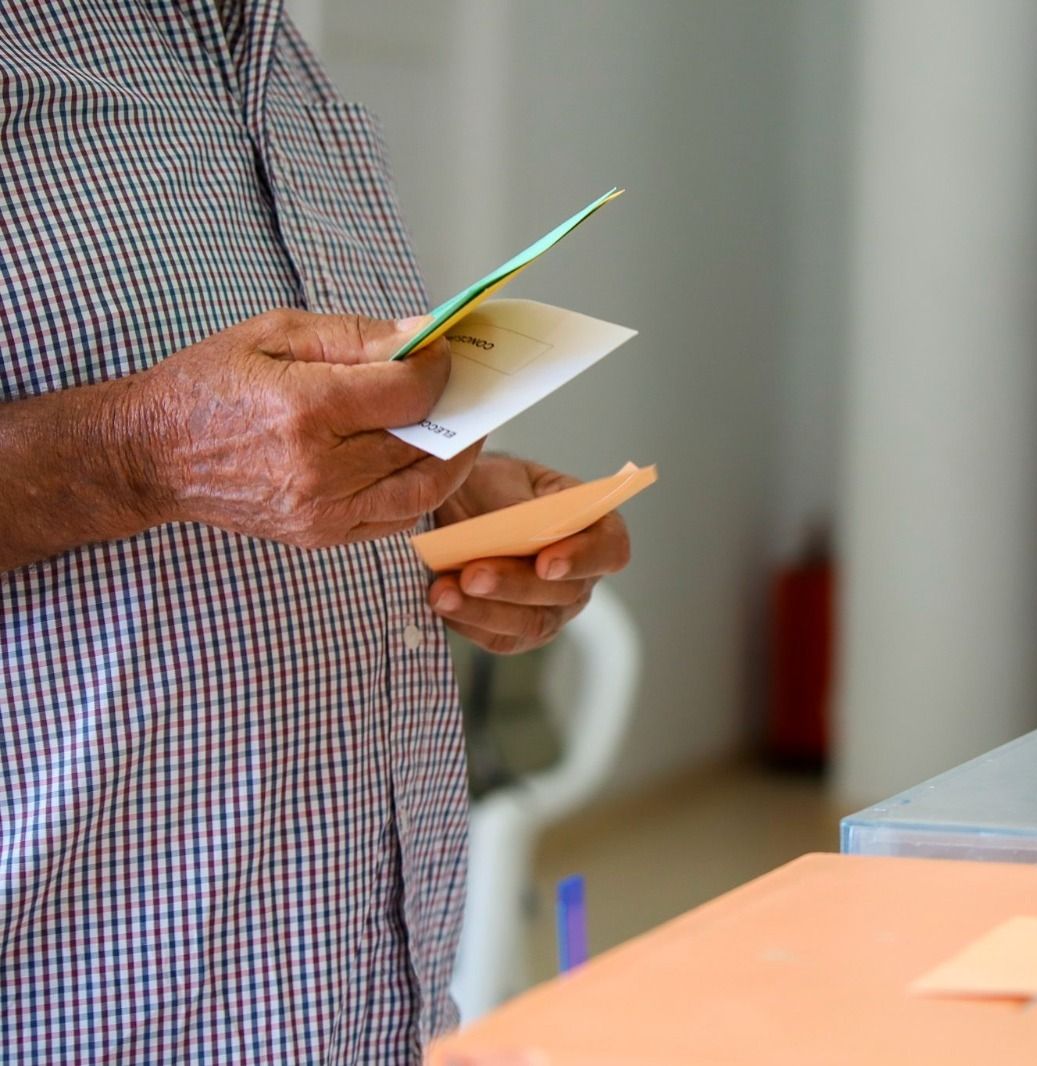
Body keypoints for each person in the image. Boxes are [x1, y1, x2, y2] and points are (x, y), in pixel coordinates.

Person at [0, 3, 630, 1062]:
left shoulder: (282, 67)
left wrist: (441, 506)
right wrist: (133, 453)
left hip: (361, 1008)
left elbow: (276, 445)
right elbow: (182, 445)